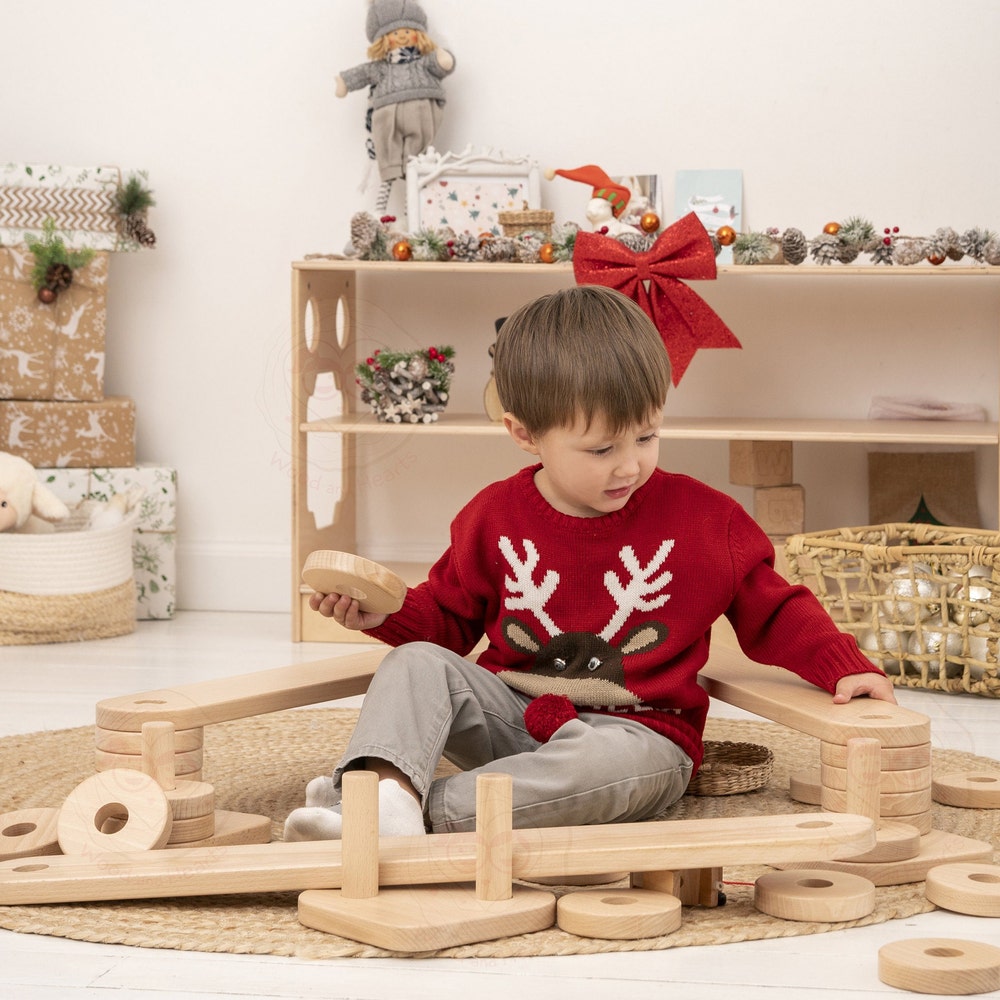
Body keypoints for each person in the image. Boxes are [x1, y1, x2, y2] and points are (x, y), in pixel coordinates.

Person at [284, 284, 895, 842]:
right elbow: (444, 623)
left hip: (641, 739)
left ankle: (394, 812)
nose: (629, 465)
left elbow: (775, 608)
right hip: (516, 716)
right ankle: (384, 788)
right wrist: (379, 615)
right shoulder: (492, 516)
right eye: (602, 448)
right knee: (414, 664)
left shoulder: (709, 521)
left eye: (647, 437)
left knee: (597, 768)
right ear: (524, 434)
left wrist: (840, 665)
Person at [336, 0, 455, 214]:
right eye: (394, 32)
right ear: (382, 39)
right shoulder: (381, 68)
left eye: (408, 30)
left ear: (419, 34)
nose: (401, 36)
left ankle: (413, 215)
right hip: (387, 115)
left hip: (422, 112)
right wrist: (344, 82)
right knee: (389, 157)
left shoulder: (424, 62)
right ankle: (380, 211)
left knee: (416, 163)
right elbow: (363, 73)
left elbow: (441, 64)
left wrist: (444, 58)